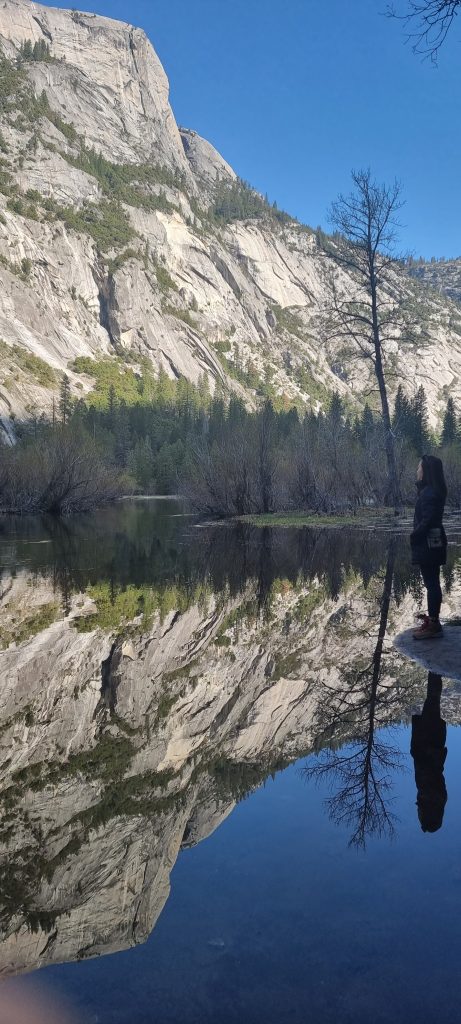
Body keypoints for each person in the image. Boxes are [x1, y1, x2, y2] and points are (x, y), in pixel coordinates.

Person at [411, 454, 447, 640]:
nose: (417, 471)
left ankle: (433, 624)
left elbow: (428, 521)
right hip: (433, 544)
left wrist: (414, 535)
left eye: (419, 468)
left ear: (426, 472)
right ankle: (433, 621)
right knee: (432, 582)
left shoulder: (429, 493)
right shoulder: (431, 491)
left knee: (431, 583)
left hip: (429, 545)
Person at [410, 672, 447, 833]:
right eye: (422, 817)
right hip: (429, 743)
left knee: (431, 701)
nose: (419, 814)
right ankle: (435, 670)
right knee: (432, 700)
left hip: (427, 744)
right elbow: (429, 769)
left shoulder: (431, 798)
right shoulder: (433, 797)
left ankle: (435, 670)